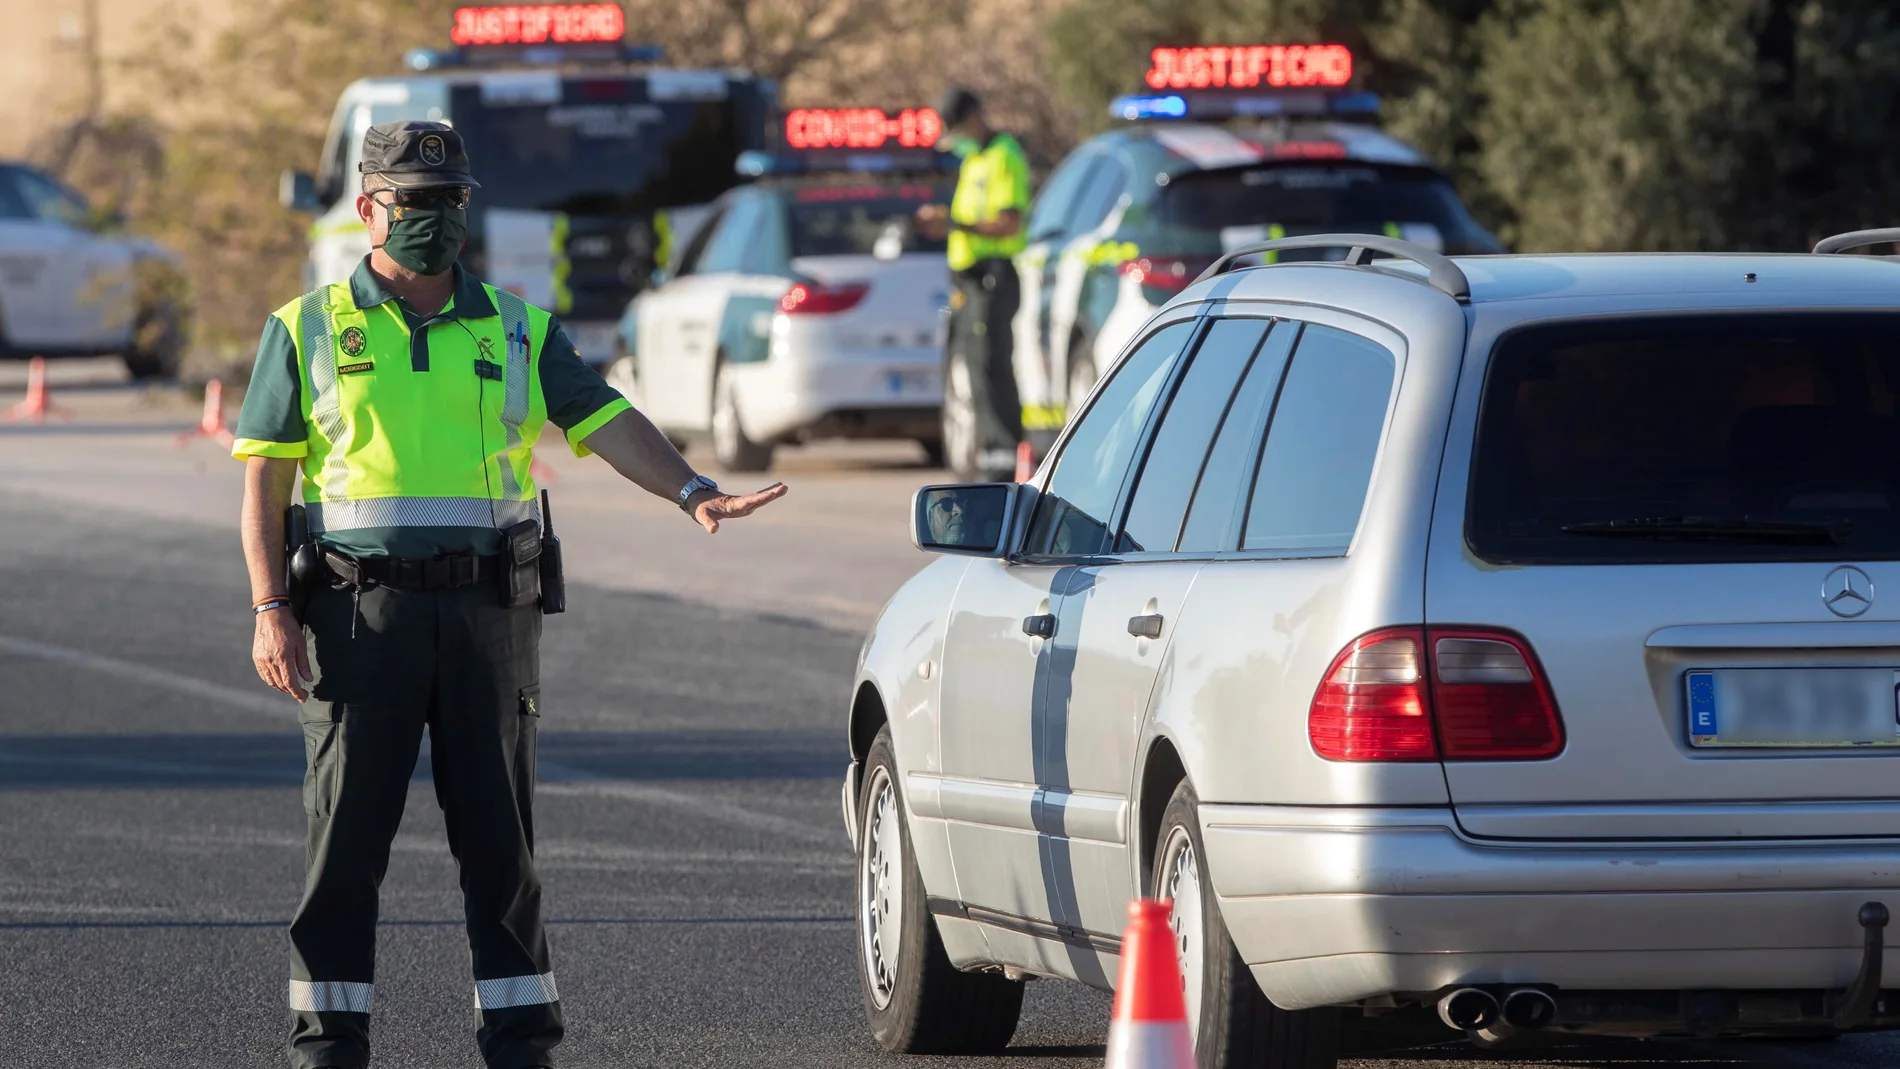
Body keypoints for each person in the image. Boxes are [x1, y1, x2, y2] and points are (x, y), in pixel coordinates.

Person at [234, 120, 785, 1069]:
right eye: (415, 202)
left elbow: (602, 415)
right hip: (360, 620)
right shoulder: (308, 328)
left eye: (451, 202)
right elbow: (264, 487)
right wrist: (268, 610)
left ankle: (522, 1043)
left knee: (502, 851)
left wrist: (691, 489)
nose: (436, 221)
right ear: (368, 208)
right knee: (343, 852)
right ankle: (327, 1045)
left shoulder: (516, 325)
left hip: (492, 619)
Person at [915, 85, 1032, 480]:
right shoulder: (974, 159)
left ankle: (1001, 461)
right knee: (972, 367)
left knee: (991, 365)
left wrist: (952, 223)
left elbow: (1008, 222)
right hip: (968, 281)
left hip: (993, 276)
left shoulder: (1004, 156)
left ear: (973, 118)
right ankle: (987, 457)